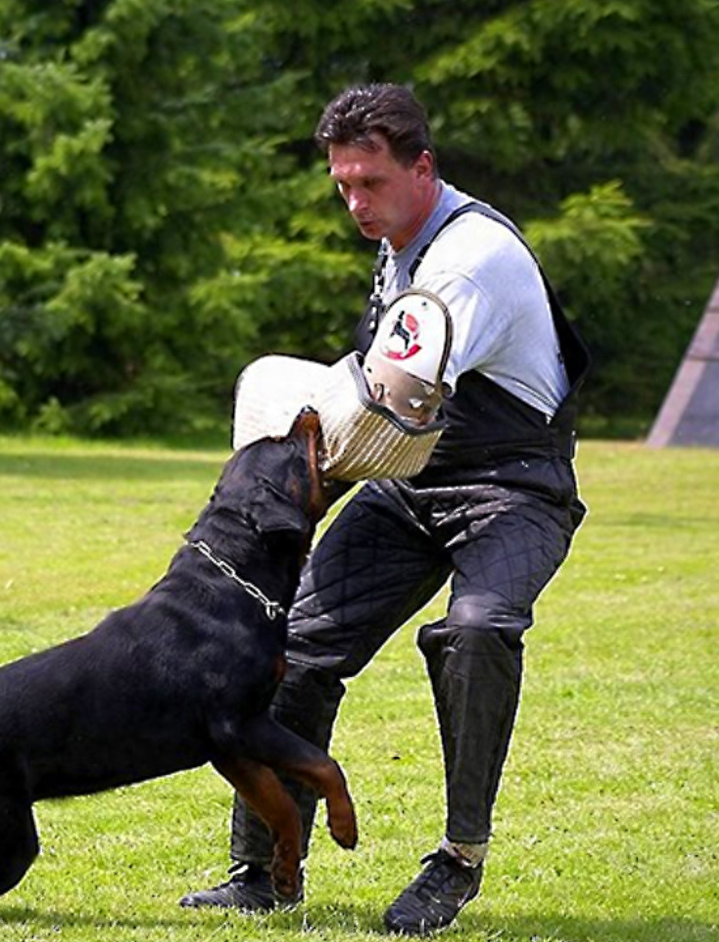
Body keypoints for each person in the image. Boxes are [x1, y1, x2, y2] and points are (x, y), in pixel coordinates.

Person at [179, 82, 589, 935]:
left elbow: (377, 411)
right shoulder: (402, 243)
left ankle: (458, 859)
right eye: (343, 186)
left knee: (476, 631)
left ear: (423, 168)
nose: (356, 203)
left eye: (371, 183)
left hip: (515, 487)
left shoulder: (467, 260)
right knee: (295, 648)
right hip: (414, 482)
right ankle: (265, 870)